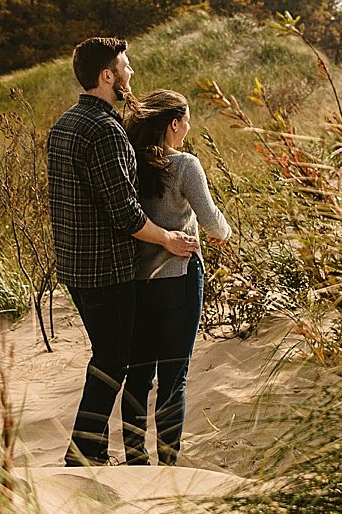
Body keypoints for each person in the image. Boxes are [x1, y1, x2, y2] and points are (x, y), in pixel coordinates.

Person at [46, 37, 197, 465]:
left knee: (110, 356)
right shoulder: (106, 131)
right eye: (125, 67)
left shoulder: (65, 124)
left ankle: (90, 448)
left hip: (75, 266)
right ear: (106, 75)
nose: (131, 74)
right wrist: (168, 239)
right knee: (114, 358)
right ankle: (83, 451)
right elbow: (126, 215)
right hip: (106, 269)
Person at [119, 90, 230, 465]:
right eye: (186, 121)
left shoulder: (128, 162)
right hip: (179, 277)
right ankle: (167, 460)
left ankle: (134, 456)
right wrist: (224, 232)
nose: (188, 127)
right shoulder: (185, 165)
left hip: (136, 281)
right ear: (173, 124)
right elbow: (213, 222)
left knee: (138, 375)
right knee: (173, 376)